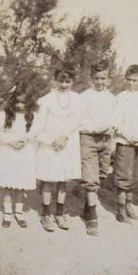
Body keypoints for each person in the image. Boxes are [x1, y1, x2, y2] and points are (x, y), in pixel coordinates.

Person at [29, 63, 82, 232]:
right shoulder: (47, 100)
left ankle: (60, 212)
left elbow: (76, 121)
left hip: (67, 144)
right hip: (50, 145)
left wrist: (64, 137)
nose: (64, 85)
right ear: (55, 80)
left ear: (73, 81)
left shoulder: (77, 99)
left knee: (62, 181)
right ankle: (46, 214)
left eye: (68, 81)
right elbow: (39, 125)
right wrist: (50, 140)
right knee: (49, 180)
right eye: (61, 81)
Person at [0, 85, 37, 228]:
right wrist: (11, 141)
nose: (20, 105)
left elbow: (34, 133)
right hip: (8, 152)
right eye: (17, 101)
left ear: (28, 102)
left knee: (20, 186)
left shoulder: (31, 116)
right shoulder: (5, 115)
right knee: (7, 184)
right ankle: (7, 212)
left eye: (23, 102)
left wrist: (25, 140)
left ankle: (18, 212)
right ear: (12, 101)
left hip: (24, 153)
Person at [79, 60, 116, 235]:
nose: (100, 82)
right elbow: (80, 119)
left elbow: (116, 118)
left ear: (109, 79)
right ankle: (92, 217)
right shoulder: (85, 97)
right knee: (90, 176)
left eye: (104, 79)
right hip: (88, 138)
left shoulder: (111, 98)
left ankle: (88, 207)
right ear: (91, 79)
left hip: (105, 139)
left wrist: (112, 127)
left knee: (101, 174)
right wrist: (94, 128)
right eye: (97, 78)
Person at [111, 64, 138, 222]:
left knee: (135, 175)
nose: (131, 83)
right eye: (129, 80)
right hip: (125, 141)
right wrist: (128, 137)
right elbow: (116, 122)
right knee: (123, 175)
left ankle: (128, 204)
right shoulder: (121, 98)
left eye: (135, 80)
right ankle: (120, 210)